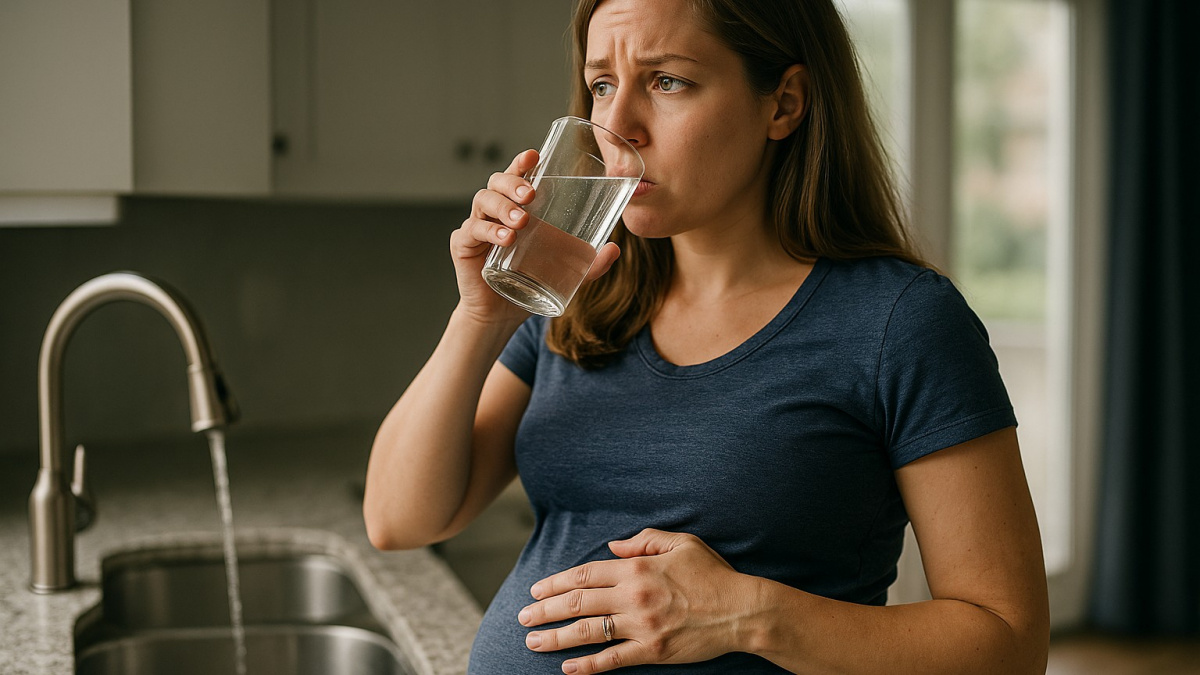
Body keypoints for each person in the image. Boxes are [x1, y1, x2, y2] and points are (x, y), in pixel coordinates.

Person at [364, 0, 1050, 672]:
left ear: (784, 103)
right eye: (603, 84)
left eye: (667, 81)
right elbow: (399, 519)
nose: (618, 125)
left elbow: (1010, 643)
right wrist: (481, 315)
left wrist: (749, 613)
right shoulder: (577, 297)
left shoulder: (900, 322)